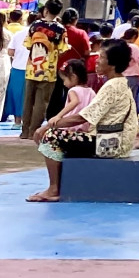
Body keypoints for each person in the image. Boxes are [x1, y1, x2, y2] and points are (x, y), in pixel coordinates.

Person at [27, 42, 138, 201]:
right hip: (116, 142)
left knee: (52, 137)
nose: (97, 61)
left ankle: (53, 189)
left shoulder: (112, 86)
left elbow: (82, 117)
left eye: (102, 57)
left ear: (112, 64)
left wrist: (47, 127)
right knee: (65, 136)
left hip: (110, 144)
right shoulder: (119, 82)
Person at [24, 56, 99, 198]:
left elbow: (74, 102)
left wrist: (58, 116)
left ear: (74, 77)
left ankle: (53, 186)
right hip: (84, 129)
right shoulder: (91, 91)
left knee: (48, 139)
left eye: (65, 79)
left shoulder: (73, 91)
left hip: (72, 128)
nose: (64, 84)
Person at [20, 19, 63, 139]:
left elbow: (28, 46)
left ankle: (24, 131)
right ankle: (33, 132)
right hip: (49, 72)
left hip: (31, 70)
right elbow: (62, 50)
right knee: (42, 103)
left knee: (28, 101)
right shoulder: (60, 29)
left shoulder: (35, 25)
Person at [3, 10, 29, 126]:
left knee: (16, 95)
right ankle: (28, 122)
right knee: (30, 96)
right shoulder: (43, 34)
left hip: (18, 67)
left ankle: (17, 121)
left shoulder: (19, 34)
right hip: (35, 69)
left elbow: (10, 51)